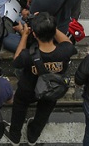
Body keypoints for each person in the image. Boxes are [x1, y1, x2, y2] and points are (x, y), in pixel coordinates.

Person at [8, 13, 76, 144]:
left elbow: (16, 60)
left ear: (34, 34)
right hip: (52, 88)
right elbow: (67, 42)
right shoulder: (65, 50)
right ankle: (33, 136)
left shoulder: (28, 56)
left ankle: (15, 136)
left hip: (28, 89)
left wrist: (24, 35)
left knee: (19, 109)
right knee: (44, 112)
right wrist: (49, 25)